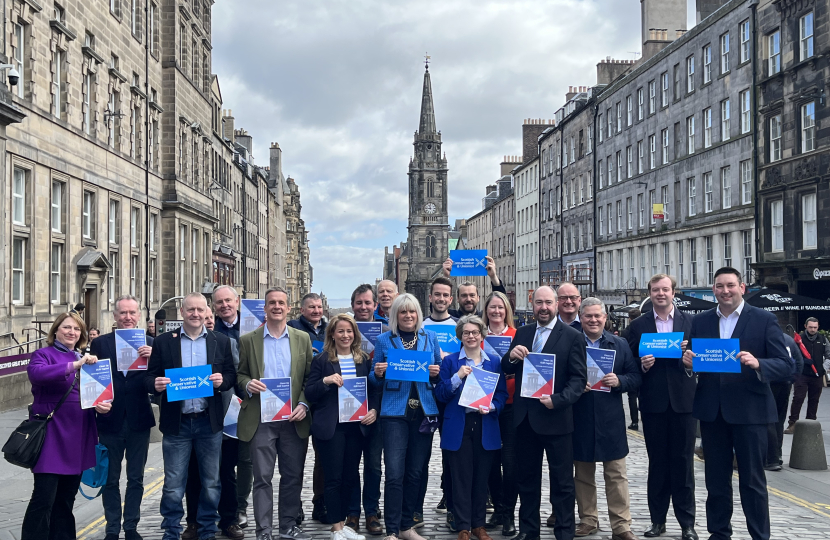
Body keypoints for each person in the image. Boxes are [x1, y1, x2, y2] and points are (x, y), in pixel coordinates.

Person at [682, 267, 792, 540]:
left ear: (742, 288)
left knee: (752, 481)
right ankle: (719, 534)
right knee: (716, 482)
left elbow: (787, 366)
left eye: (730, 285)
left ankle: (759, 535)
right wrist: (689, 364)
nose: (725, 291)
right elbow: (699, 364)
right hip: (712, 412)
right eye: (719, 286)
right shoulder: (702, 321)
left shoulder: (764, 319)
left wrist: (758, 364)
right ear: (713, 290)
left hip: (750, 413)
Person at [144, 293, 237, 540]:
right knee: (173, 485)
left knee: (211, 483)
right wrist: (156, 383)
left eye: (200, 310)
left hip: (209, 422)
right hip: (178, 424)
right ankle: (171, 531)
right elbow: (148, 377)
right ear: (182, 312)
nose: (195, 314)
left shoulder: (221, 341)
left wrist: (222, 381)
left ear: (208, 312)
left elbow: (231, 376)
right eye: (190, 310)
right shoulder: (163, 342)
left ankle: (207, 530)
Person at [501, 286, 587, 540]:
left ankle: (564, 532)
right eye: (539, 303)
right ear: (533, 303)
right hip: (525, 419)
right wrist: (512, 357)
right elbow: (506, 366)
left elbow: (578, 380)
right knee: (527, 480)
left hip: (557, 419)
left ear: (557, 304)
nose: (543, 308)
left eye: (548, 302)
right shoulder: (523, 332)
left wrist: (558, 400)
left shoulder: (572, 336)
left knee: (562, 482)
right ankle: (529, 531)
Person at [21, 312, 112, 540]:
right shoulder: (43, 354)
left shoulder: (85, 359)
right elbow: (37, 375)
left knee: (66, 501)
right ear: (55, 331)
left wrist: (100, 406)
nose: (72, 332)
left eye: (77, 329)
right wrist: (75, 365)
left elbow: (90, 396)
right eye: (67, 327)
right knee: (43, 499)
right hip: (51, 435)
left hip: (78, 435)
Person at [236, 287, 314, 540]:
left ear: (288, 308)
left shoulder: (302, 338)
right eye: (272, 303)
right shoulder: (248, 340)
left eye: (281, 303)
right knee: (262, 478)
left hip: (293, 419)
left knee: (292, 476)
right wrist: (248, 384)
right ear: (265, 308)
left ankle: (288, 526)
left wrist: (303, 404)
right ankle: (264, 531)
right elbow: (240, 375)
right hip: (261, 419)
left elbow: (309, 378)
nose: (277, 307)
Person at [625, 275, 697, 540]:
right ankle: (657, 521)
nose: (661, 294)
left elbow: (702, 359)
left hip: (685, 403)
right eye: (655, 290)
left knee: (683, 464)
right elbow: (629, 361)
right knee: (657, 464)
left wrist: (692, 358)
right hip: (654, 404)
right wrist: (641, 366)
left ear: (674, 292)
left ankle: (687, 524)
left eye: (665, 289)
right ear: (650, 293)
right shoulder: (638, 325)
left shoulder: (691, 322)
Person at [369, 293, 442, 540]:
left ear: (418, 314)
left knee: (415, 472)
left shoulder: (429, 337)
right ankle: (391, 528)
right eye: (403, 312)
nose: (408, 316)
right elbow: (372, 378)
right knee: (394, 473)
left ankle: (406, 525)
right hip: (394, 413)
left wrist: (436, 372)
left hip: (423, 412)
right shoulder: (383, 340)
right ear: (395, 315)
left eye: (412, 312)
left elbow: (439, 372)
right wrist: (378, 373)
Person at [306, 314, 381, 540]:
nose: (345, 335)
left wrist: (374, 410)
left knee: (350, 476)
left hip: (356, 426)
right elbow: (310, 392)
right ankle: (336, 526)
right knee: (333, 478)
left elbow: (373, 391)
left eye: (349, 331)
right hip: (332, 427)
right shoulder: (322, 360)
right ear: (332, 334)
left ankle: (347, 522)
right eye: (340, 331)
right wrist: (326, 382)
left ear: (355, 334)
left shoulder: (363, 360)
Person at [572, 298, 641, 540]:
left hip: (610, 417)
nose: (593, 320)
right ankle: (588, 519)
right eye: (588, 316)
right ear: (581, 318)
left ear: (604, 318)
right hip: (579, 415)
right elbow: (558, 376)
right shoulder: (571, 341)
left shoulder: (619, 344)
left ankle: (621, 525)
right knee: (583, 474)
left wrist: (620, 381)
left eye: (597, 316)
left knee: (616, 474)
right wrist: (574, 386)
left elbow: (635, 377)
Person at [436, 315, 508, 540]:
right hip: (459, 424)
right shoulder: (450, 362)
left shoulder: (494, 362)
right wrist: (457, 377)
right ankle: (463, 526)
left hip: (485, 423)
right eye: (466, 333)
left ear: (482, 335)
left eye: (475, 332)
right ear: (460, 336)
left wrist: (493, 408)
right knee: (461, 478)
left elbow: (502, 395)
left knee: (481, 478)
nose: (470, 336)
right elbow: (440, 393)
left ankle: (479, 525)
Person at [91, 295, 155, 540]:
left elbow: (158, 381)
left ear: (139, 315)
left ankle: (131, 527)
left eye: (132, 313)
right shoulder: (101, 343)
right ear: (115, 316)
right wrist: (96, 403)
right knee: (110, 478)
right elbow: (95, 379)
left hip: (139, 419)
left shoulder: (151, 343)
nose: (128, 317)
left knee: (136, 478)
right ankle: (111, 528)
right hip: (110, 419)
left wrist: (153, 358)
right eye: (123, 313)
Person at [182, 302, 245, 540]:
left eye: (209, 317)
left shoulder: (224, 342)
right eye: (205, 317)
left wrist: (227, 384)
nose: (207, 320)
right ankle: (194, 521)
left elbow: (236, 375)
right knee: (194, 473)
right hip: (193, 416)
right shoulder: (184, 344)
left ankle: (229, 519)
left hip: (225, 416)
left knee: (226, 471)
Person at [348, 284, 387, 535]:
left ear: (376, 305)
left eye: (367, 303)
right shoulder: (342, 330)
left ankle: (371, 511)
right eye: (359, 303)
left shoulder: (386, 334)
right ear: (353, 305)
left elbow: (389, 379)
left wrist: (375, 408)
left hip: (377, 410)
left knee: (373, 466)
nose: (363, 307)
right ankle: (352, 512)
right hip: (349, 409)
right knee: (350, 464)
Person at [287, 292, 328, 523]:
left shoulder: (328, 329)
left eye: (319, 307)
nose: (316, 311)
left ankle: (319, 502)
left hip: (322, 400)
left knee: (322, 457)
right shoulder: (292, 328)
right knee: (296, 458)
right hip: (298, 398)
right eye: (311, 307)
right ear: (301, 310)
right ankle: (295, 505)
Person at [482, 292, 519, 536]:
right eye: (492, 308)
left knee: (511, 462)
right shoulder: (478, 335)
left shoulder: (518, 336)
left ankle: (508, 512)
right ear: (486, 311)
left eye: (501, 307)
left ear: (507, 310)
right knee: (491, 462)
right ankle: (496, 507)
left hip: (513, 404)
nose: (496, 311)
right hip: (487, 405)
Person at [785, 317, 830, 433]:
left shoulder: (823, 339)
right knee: (798, 398)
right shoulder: (798, 339)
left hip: (817, 375)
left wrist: (823, 369)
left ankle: (811, 424)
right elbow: (790, 356)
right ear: (805, 326)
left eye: (815, 327)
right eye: (810, 327)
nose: (813, 329)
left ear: (818, 327)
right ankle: (793, 424)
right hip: (801, 374)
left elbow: (829, 356)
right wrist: (802, 362)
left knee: (814, 399)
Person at [766, 332, 803, 471]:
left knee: (767, 419)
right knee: (779, 420)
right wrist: (792, 379)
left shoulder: (766, 338)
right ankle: (778, 455)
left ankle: (771, 458)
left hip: (770, 382)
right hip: (785, 382)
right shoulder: (788, 339)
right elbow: (799, 361)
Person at [441, 256, 507, 317]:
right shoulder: (449, 316)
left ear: (478, 298)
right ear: (457, 298)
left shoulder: (485, 318)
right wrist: (445, 276)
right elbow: (436, 305)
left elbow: (501, 300)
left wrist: (493, 277)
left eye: (472, 295)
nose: (468, 299)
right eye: (464, 295)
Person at [620, 309, 641, 431]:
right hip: (643, 365)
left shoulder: (625, 332)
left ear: (629, 318)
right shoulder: (644, 329)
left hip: (631, 366)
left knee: (632, 396)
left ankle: (634, 422)